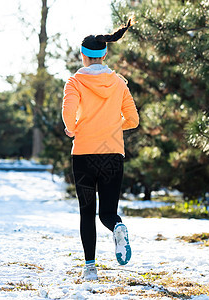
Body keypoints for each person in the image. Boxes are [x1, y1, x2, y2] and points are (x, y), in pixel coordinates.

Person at [62, 18, 139, 281]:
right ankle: (117, 227)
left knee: (87, 212)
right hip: (113, 154)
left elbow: (68, 113)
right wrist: (113, 125)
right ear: (104, 54)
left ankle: (90, 268)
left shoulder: (74, 82)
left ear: (83, 55)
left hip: (83, 154)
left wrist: (72, 128)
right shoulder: (119, 83)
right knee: (107, 212)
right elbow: (133, 120)